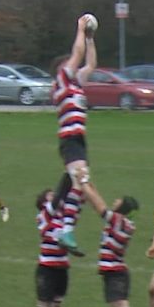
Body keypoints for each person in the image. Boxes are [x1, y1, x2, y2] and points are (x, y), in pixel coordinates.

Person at [77, 175, 141, 307]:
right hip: (112, 274)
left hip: (116, 274)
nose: (115, 200)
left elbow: (98, 205)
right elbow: (97, 200)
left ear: (123, 207)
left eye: (119, 200)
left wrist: (82, 182)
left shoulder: (118, 221)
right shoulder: (121, 221)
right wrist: (88, 181)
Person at [49, 14, 98, 255]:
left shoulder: (75, 84)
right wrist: (79, 28)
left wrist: (89, 38)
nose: (73, 65)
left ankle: (57, 217)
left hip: (79, 140)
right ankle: (64, 229)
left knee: (80, 188)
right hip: (69, 139)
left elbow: (90, 64)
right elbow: (77, 55)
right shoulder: (61, 81)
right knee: (81, 180)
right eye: (69, 64)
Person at [31, 188, 71, 307]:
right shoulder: (44, 216)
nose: (55, 196)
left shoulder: (63, 218)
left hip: (62, 268)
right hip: (47, 270)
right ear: (44, 203)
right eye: (50, 195)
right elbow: (63, 191)